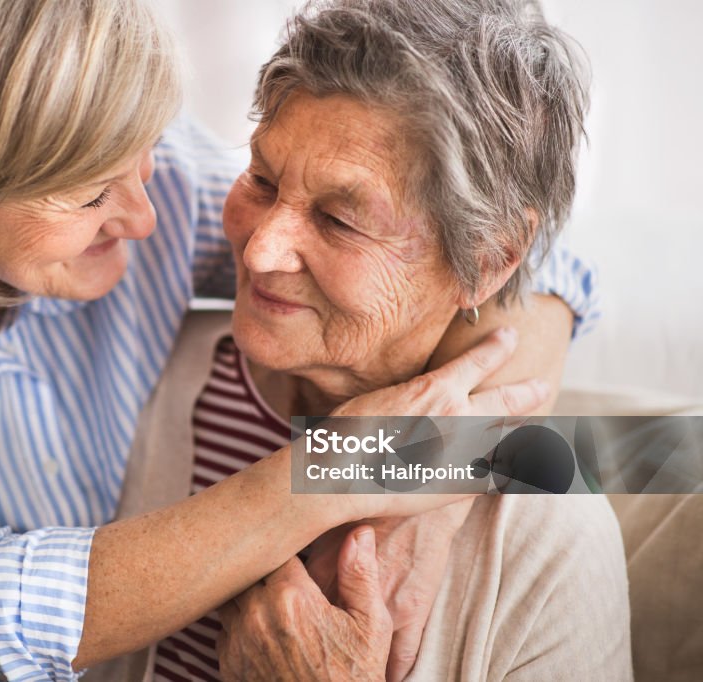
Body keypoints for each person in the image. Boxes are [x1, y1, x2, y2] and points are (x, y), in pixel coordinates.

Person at [0, 1, 595, 680]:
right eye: (85, 195)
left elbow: (529, 257)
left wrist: (431, 474)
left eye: (143, 151)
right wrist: (349, 469)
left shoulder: (559, 489)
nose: (154, 214)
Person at [99, 0, 630, 680]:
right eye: (261, 179)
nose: (260, 251)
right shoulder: (154, 380)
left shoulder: (549, 536)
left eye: (340, 221)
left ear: (492, 257)